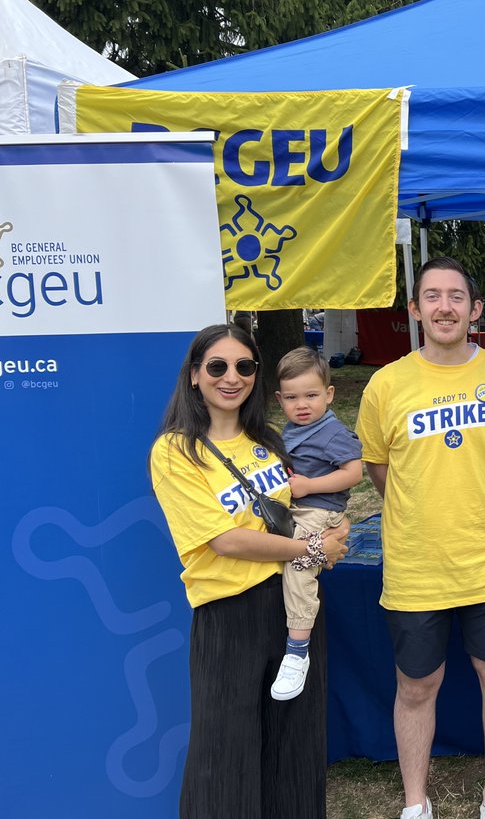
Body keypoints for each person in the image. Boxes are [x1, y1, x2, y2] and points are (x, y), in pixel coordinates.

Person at [356, 256, 485, 819]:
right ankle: (416, 802)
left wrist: (478, 501)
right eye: (432, 297)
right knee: (417, 686)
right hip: (417, 565)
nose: (444, 307)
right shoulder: (385, 385)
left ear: (475, 309)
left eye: (456, 297)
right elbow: (380, 471)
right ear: (415, 309)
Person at [149, 324, 350, 819]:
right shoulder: (176, 452)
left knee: (294, 745)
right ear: (194, 376)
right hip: (228, 617)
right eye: (217, 366)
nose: (231, 377)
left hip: (291, 609)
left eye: (244, 366)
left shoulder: (269, 440)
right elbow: (225, 540)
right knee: (224, 755)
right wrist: (311, 549)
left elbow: (313, 508)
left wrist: (333, 534)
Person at [270, 347, 363, 700]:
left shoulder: (332, 432)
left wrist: (310, 486)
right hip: (298, 508)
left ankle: (297, 650)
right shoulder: (291, 430)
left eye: (311, 395)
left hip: (318, 511)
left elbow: (354, 473)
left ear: (329, 394)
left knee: (299, 566)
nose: (302, 404)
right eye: (292, 397)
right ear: (280, 399)